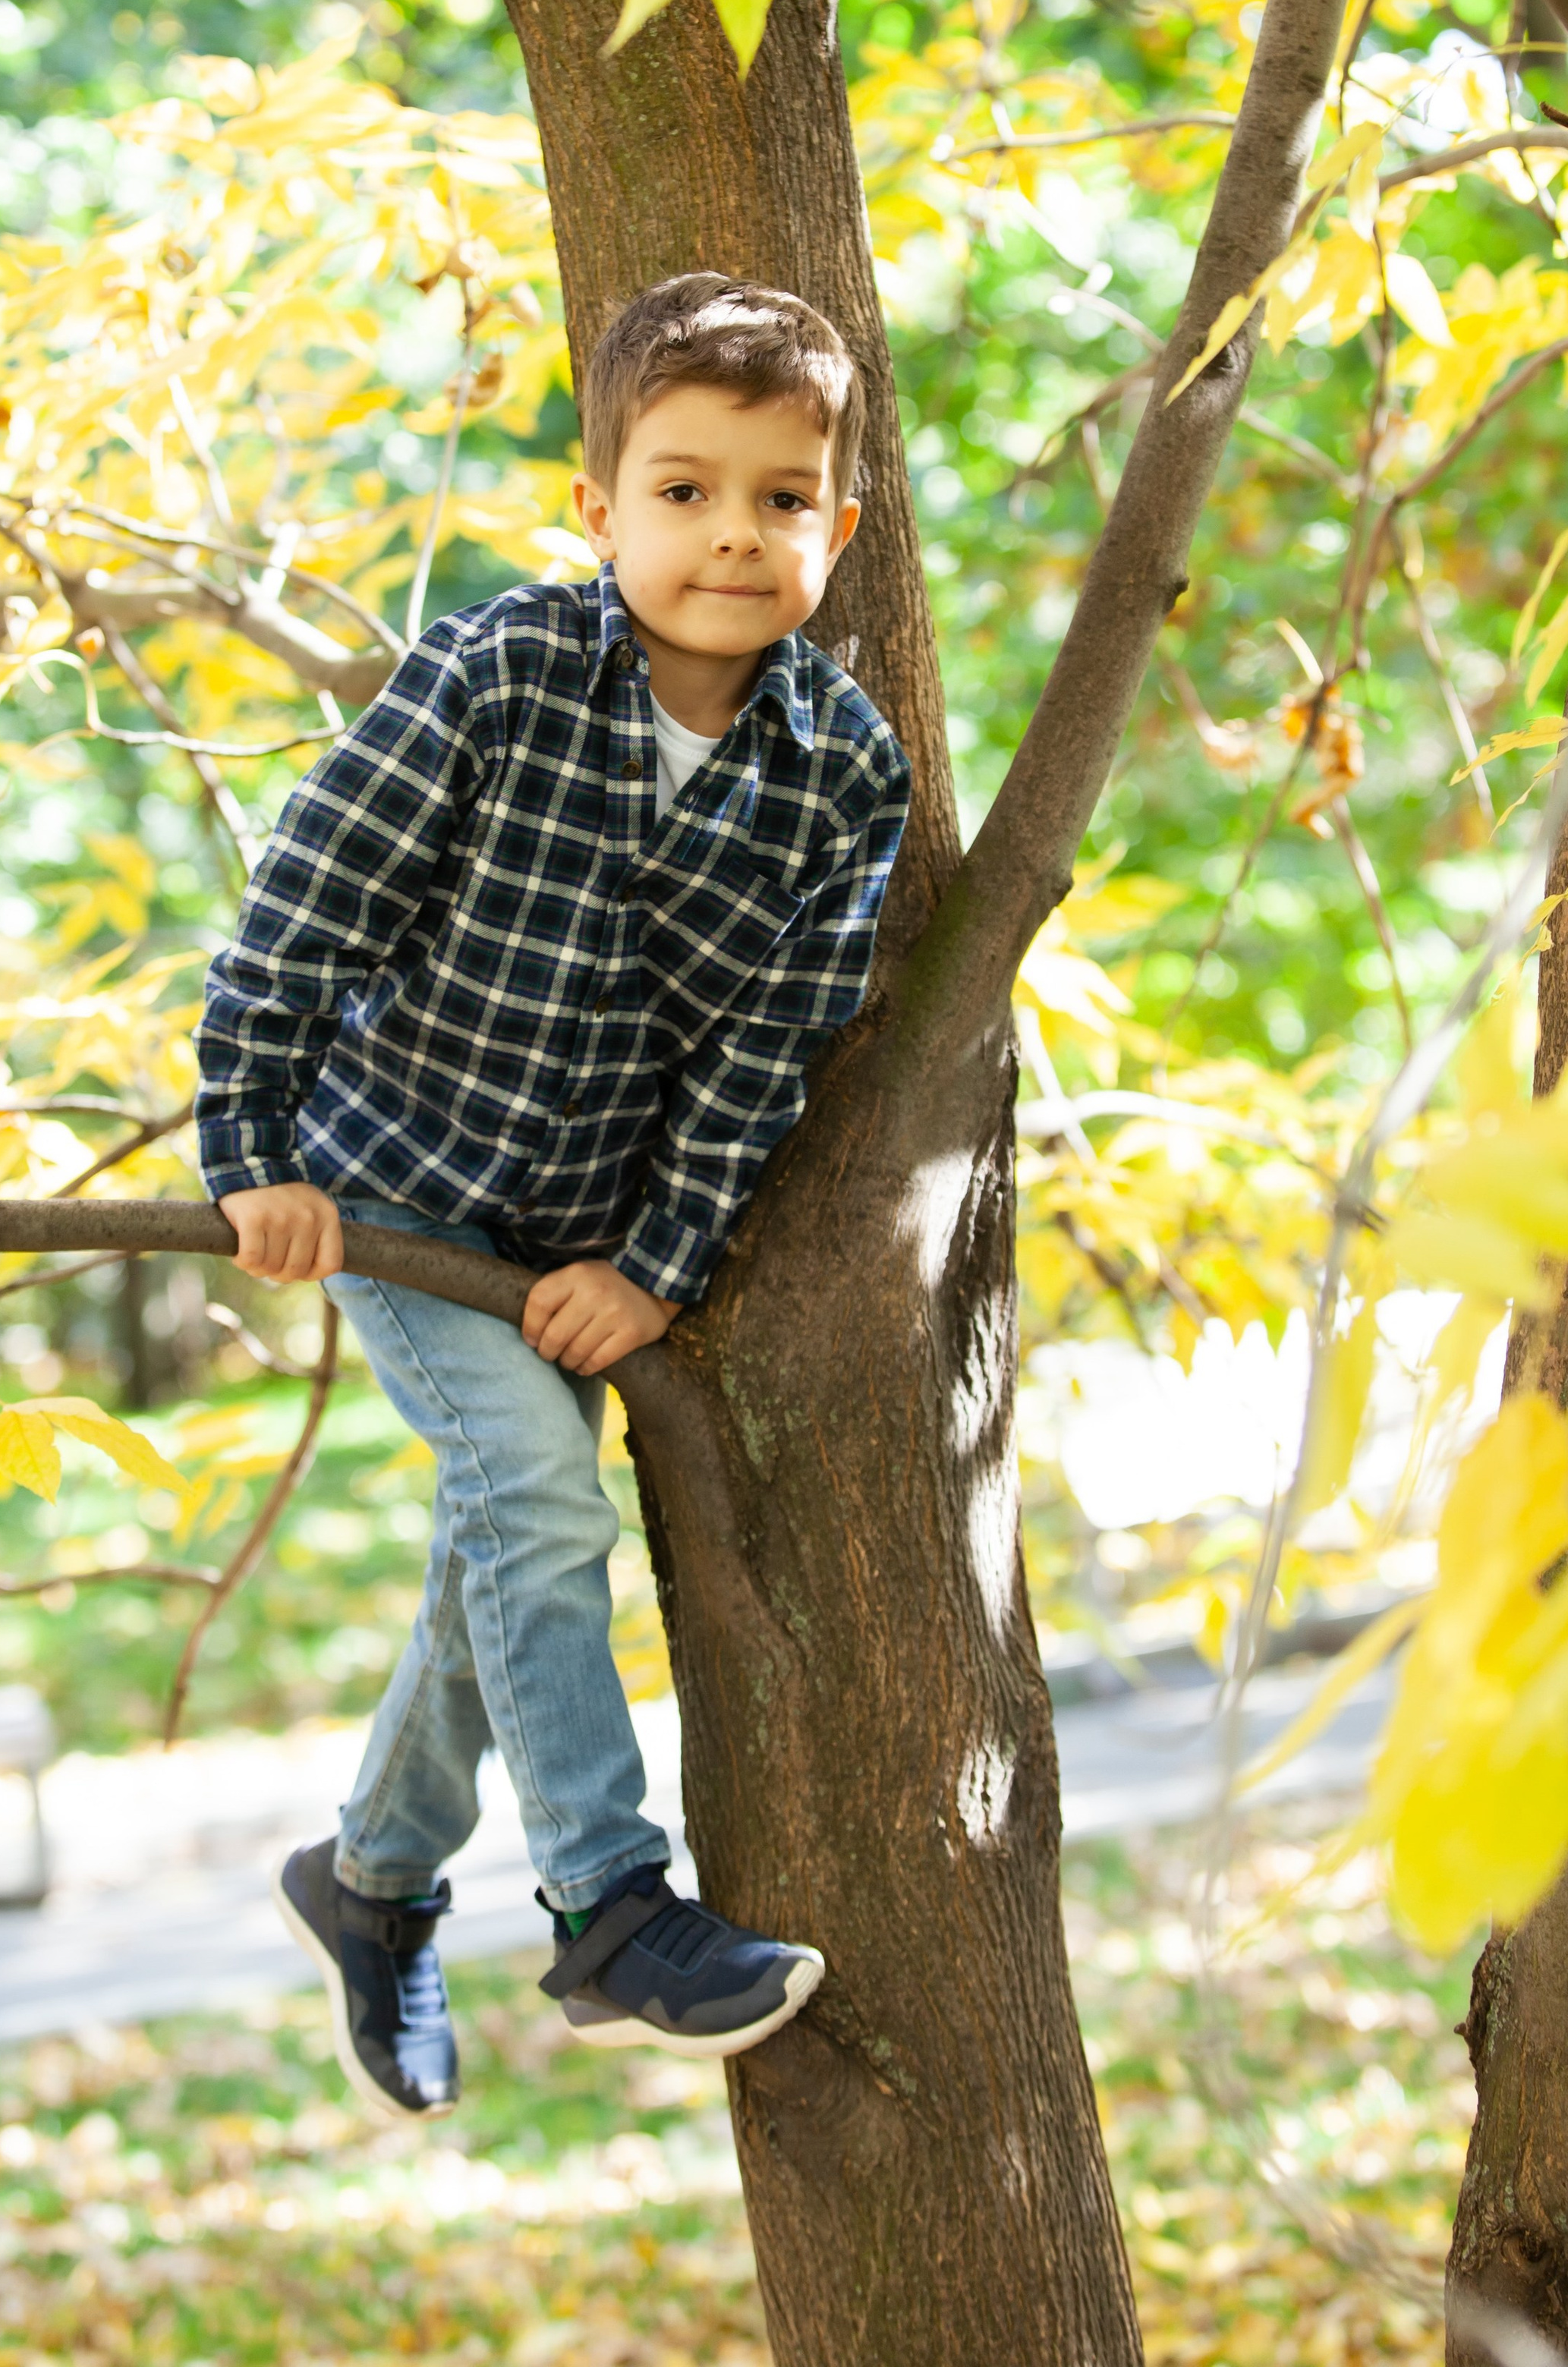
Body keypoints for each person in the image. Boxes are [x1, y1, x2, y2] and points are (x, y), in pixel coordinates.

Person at [194, 272, 912, 2120]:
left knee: (494, 1559)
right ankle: (607, 1910)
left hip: (573, 1244)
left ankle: (366, 1885)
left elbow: (766, 1054)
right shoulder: (492, 673)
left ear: (838, 528)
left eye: (777, 498)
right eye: (682, 490)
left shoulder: (840, 774)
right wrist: (251, 1154)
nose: (730, 534)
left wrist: (653, 1265)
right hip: (393, 1189)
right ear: (596, 510)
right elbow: (303, 911)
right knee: (529, 1495)